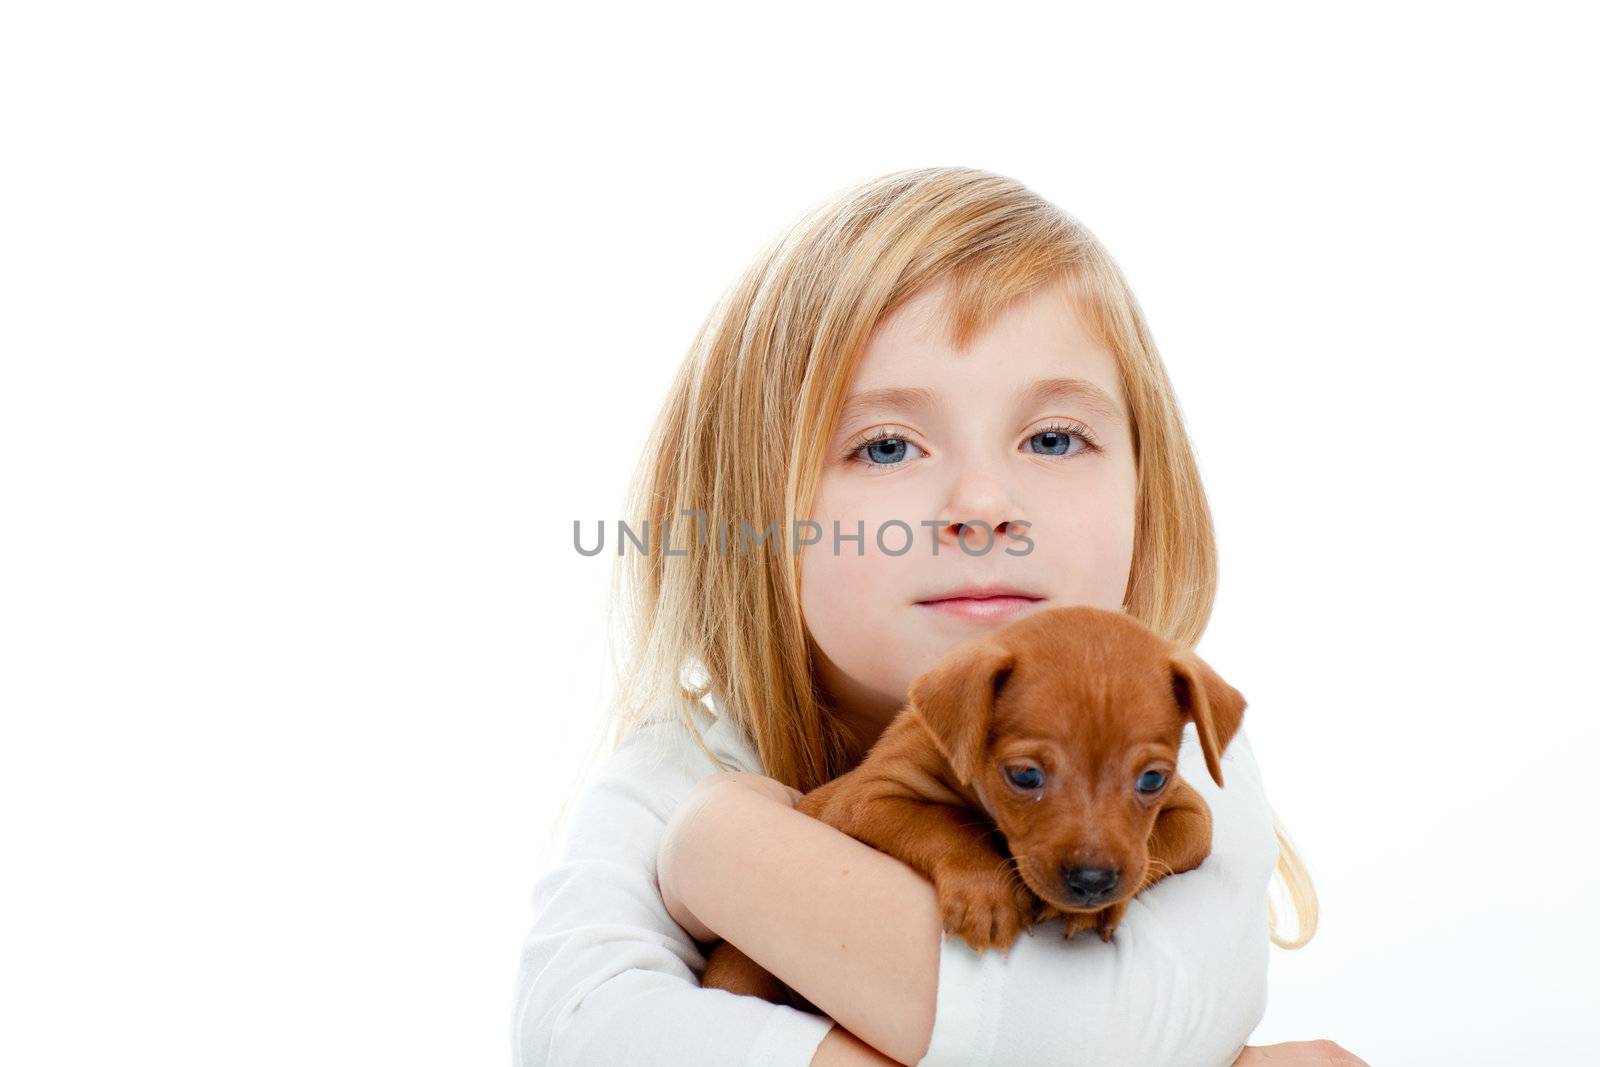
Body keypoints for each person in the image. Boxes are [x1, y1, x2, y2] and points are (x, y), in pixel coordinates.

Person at [512, 166, 1363, 1066]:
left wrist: (726, 861)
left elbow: (1111, 1039)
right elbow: (573, 1034)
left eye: (1053, 437)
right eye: (885, 446)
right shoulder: (676, 774)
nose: (985, 502)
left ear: (1150, 492)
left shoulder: (1171, 745)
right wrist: (704, 831)